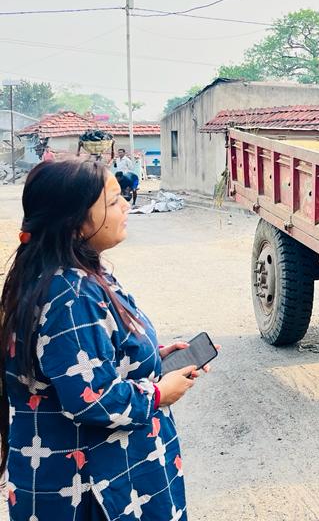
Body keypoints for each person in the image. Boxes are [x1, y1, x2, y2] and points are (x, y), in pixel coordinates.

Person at [1, 160, 201, 520]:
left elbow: (76, 358)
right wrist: (158, 393)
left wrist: (149, 357)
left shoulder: (67, 273)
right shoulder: (71, 293)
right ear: (75, 223)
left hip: (91, 477)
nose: (125, 204)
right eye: (111, 202)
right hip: (96, 490)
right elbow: (92, 398)